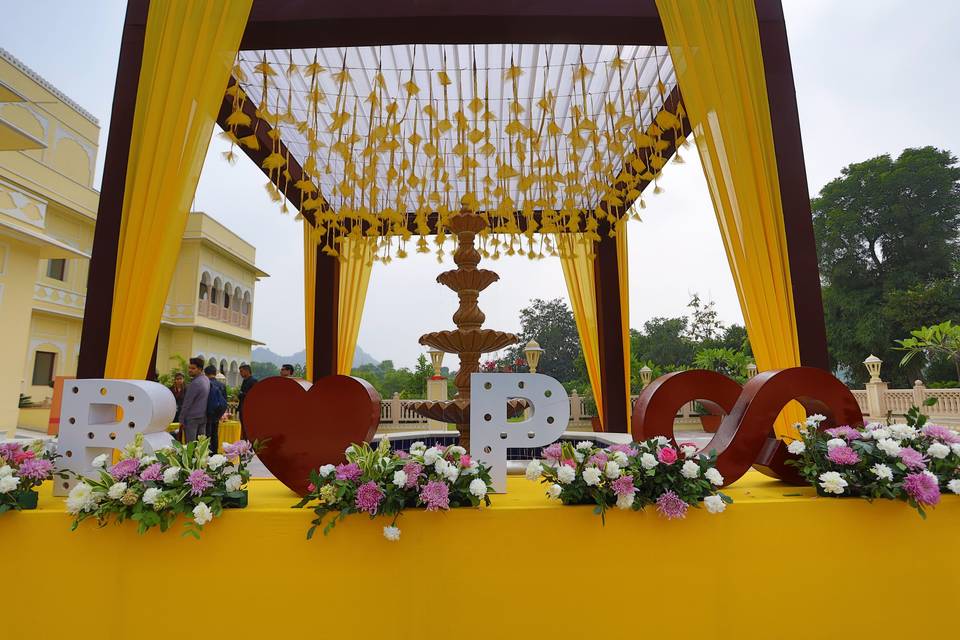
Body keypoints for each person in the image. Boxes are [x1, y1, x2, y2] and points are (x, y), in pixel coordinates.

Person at [179, 358, 210, 442]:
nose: (190, 370)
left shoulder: (195, 383)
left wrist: (181, 419)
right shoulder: (206, 379)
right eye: (189, 368)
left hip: (192, 418)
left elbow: (187, 403)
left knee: (190, 445)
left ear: (200, 369)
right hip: (203, 416)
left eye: (193, 368)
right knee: (201, 445)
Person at [204, 365, 228, 454]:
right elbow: (225, 400)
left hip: (207, 412)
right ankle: (215, 452)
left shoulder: (206, 384)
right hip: (218, 413)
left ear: (205, 373)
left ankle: (206, 452)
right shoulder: (222, 385)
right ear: (215, 373)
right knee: (215, 433)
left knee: (207, 434)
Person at [237, 363, 258, 439]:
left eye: (241, 371)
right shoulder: (245, 381)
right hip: (242, 407)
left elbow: (254, 395)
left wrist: (242, 394)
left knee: (248, 429)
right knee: (243, 429)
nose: (240, 373)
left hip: (249, 409)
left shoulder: (253, 381)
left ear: (247, 371)